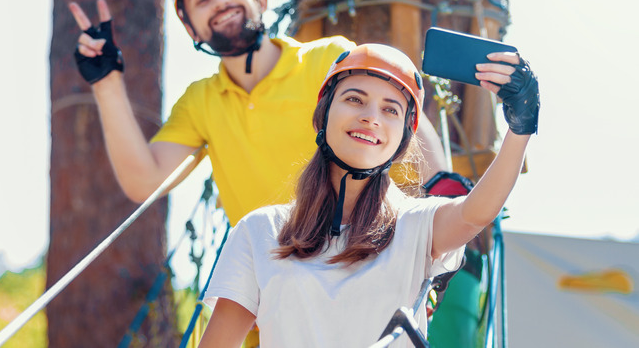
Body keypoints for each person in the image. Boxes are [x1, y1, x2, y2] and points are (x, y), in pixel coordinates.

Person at [67, 0, 455, 227]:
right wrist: (106, 82)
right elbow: (144, 181)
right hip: (265, 298)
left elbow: (398, 113)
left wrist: (440, 191)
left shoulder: (326, 58)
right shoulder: (200, 102)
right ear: (189, 27)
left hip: (354, 266)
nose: (219, 1)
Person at [197, 43, 539, 347]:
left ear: (403, 139)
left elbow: (475, 213)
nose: (370, 117)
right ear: (322, 116)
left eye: (390, 109)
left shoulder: (416, 225)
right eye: (354, 99)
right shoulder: (260, 231)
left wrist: (519, 129)